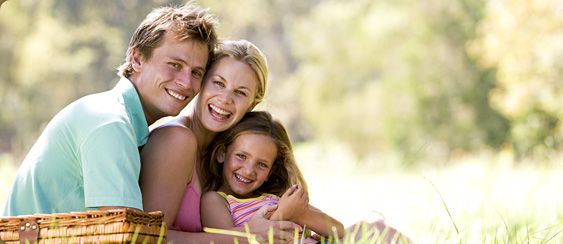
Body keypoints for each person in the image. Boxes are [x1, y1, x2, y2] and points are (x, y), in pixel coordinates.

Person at [2, 2, 218, 216]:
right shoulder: (110, 122)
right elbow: (129, 235)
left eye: (197, 73)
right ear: (137, 59)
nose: (186, 82)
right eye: (175, 65)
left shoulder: (124, 123)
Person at [139, 39, 301, 243]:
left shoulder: (231, 159)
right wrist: (245, 237)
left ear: (252, 105)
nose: (225, 99)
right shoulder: (176, 139)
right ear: (200, 83)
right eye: (218, 83)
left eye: (240, 92)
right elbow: (146, 238)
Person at [200, 111, 346, 243]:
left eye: (262, 164)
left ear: (271, 171)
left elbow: (338, 231)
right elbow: (230, 242)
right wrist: (283, 215)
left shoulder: (276, 198)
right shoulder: (216, 200)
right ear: (222, 154)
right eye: (241, 156)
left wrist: (299, 214)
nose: (249, 170)